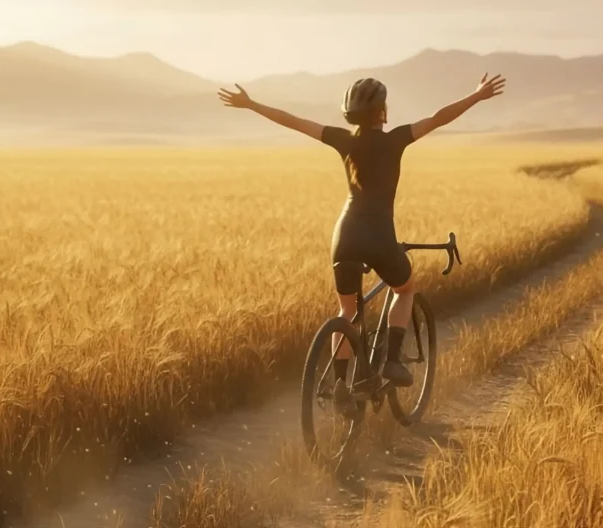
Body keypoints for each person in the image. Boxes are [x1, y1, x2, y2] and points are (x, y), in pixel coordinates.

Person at [217, 73, 507, 409]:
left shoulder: (343, 140)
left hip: (344, 236)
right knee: (404, 288)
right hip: (379, 234)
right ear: (382, 112)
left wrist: (251, 104)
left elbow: (294, 121)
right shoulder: (396, 139)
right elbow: (439, 117)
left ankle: (341, 383)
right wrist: (476, 95)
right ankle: (393, 360)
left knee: (347, 309)